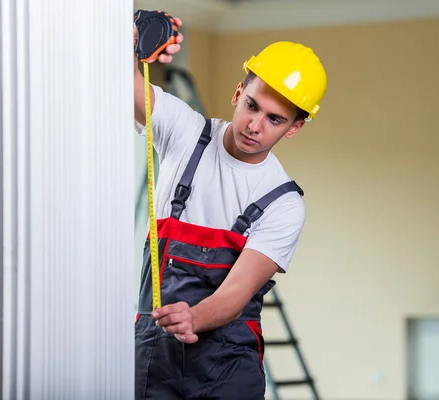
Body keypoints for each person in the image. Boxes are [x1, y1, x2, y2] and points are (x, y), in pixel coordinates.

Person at [133, 13, 327, 400]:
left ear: (293, 127)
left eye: (274, 119)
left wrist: (192, 316)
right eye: (252, 105)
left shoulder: (283, 203)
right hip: (152, 355)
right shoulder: (184, 133)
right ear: (238, 93)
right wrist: (131, 35)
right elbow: (119, 83)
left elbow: (233, 296)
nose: (255, 125)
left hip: (226, 369)